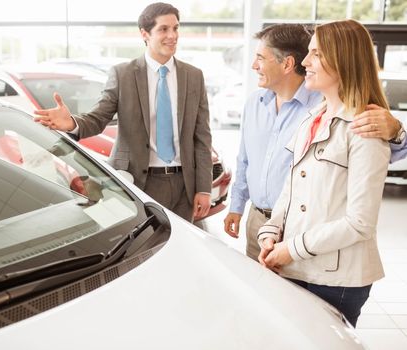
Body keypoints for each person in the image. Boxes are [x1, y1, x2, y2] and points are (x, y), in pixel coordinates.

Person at [223, 24, 407, 260]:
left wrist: (396, 132)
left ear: (287, 64)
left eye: (260, 57)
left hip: (305, 227)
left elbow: (377, 156)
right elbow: (244, 160)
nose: (253, 66)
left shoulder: (326, 107)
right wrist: (237, 206)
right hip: (259, 223)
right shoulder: (254, 103)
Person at [256, 19, 390, 327]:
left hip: (335, 278)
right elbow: (290, 191)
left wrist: (291, 249)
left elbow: (359, 223)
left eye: (315, 54)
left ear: (342, 59)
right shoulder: (312, 118)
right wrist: (271, 233)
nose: (305, 62)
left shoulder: (365, 127)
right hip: (297, 268)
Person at [33, 2, 212, 222]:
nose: (172, 35)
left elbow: (202, 136)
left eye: (175, 28)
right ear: (145, 33)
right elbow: (98, 118)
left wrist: (204, 188)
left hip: (185, 184)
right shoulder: (123, 74)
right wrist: (71, 122)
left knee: (180, 246)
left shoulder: (194, 76)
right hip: (139, 182)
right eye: (163, 29)